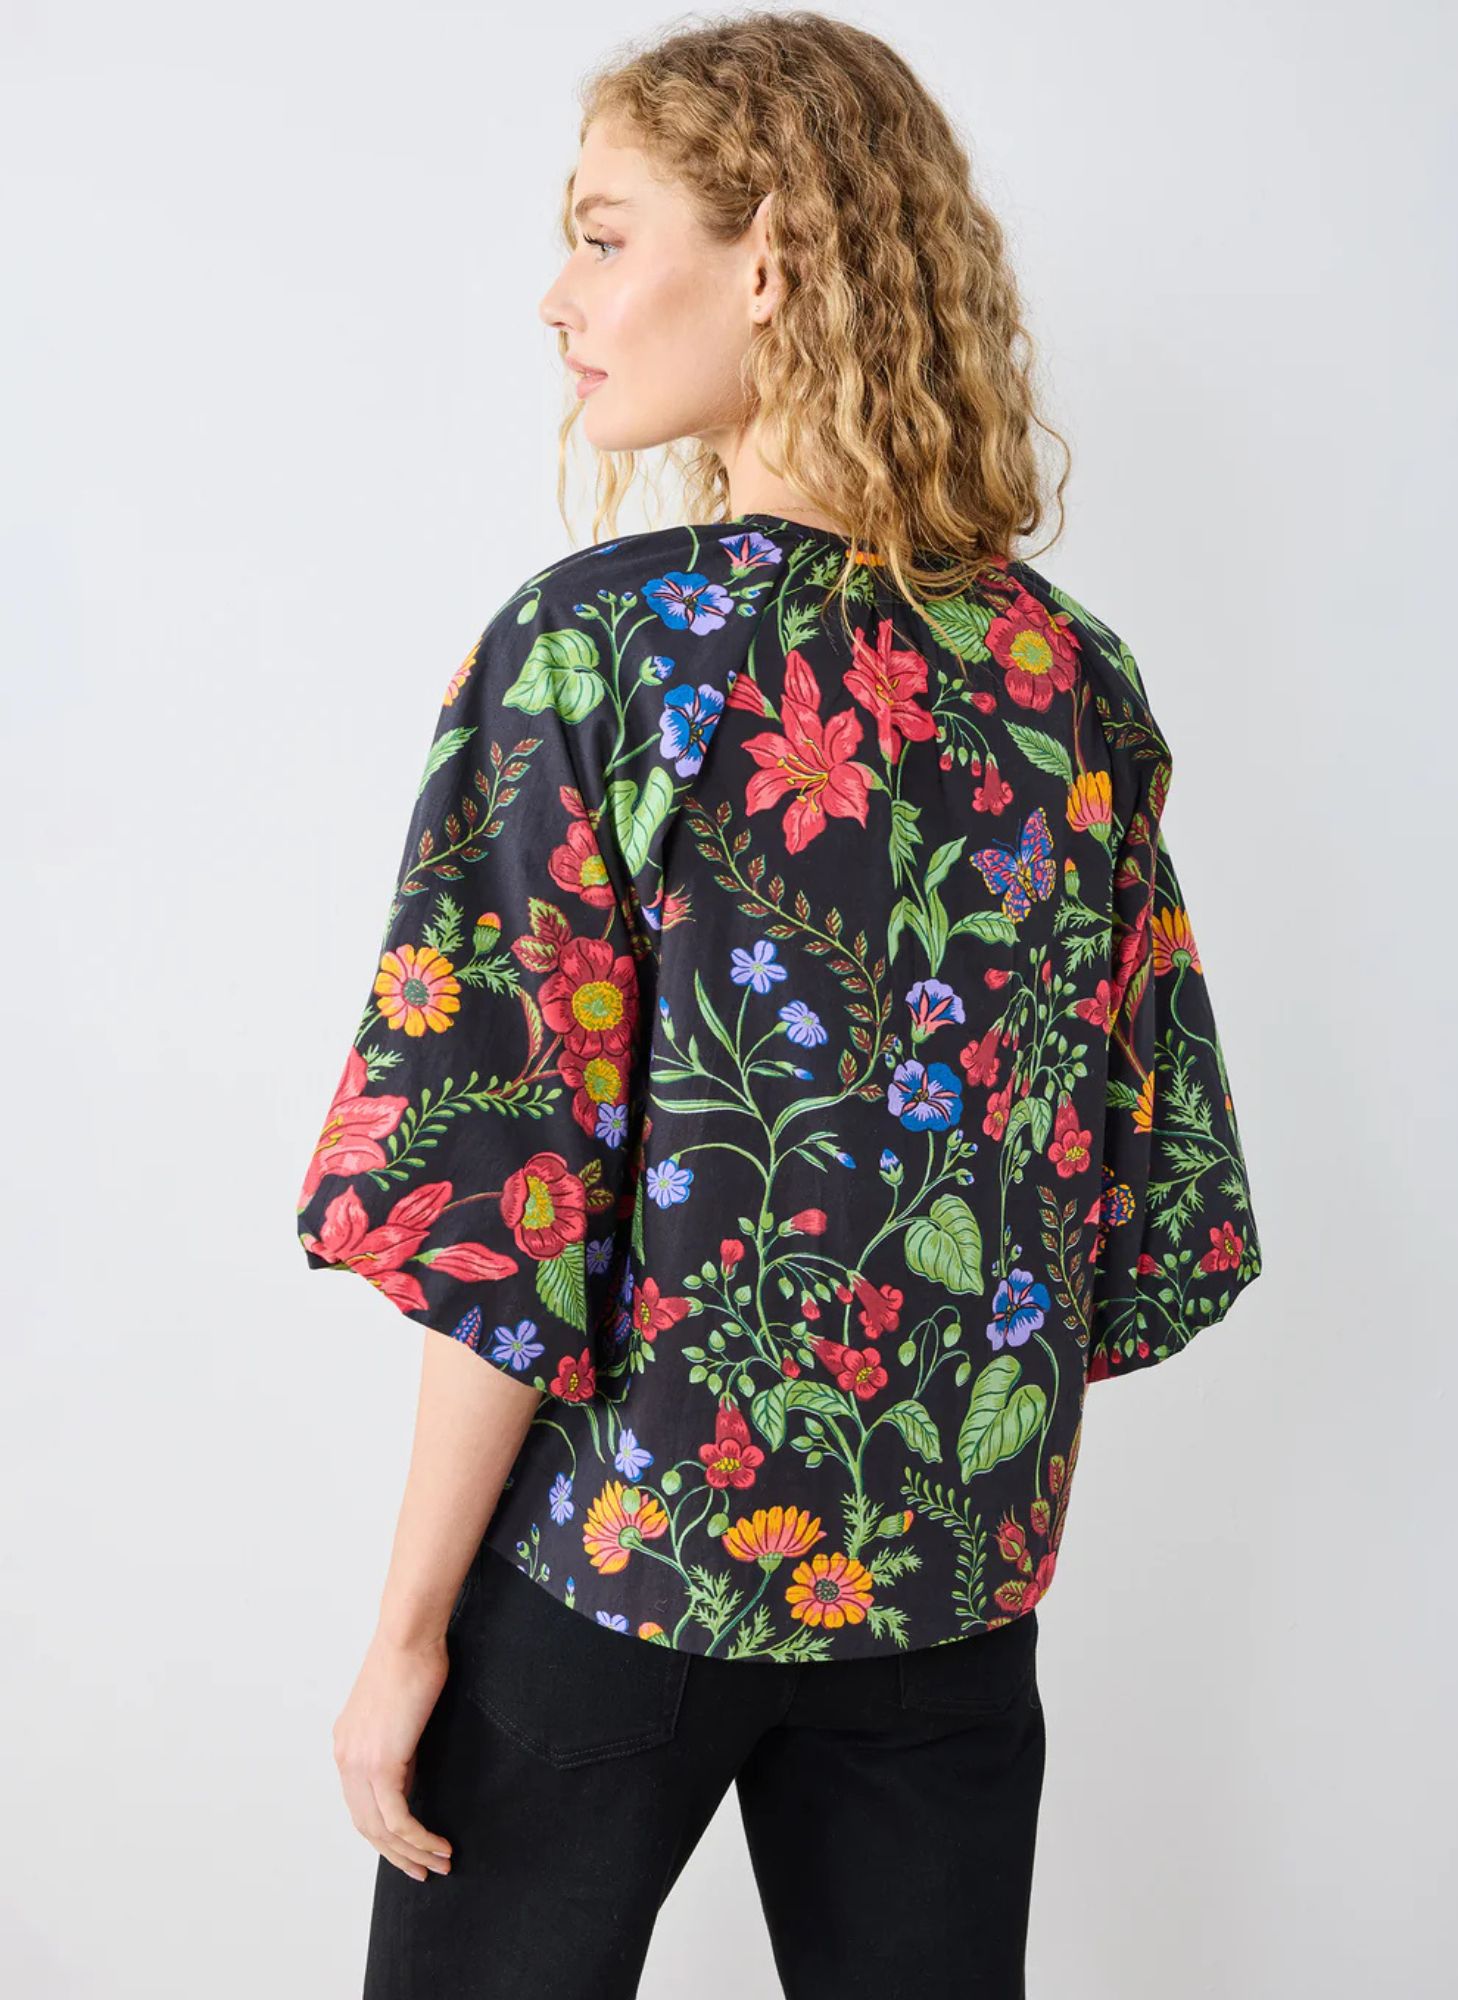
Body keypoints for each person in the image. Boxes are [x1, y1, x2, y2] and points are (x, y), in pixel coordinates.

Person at [294, 12, 1264, 1996]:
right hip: (946, 1600)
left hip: (628, 1570)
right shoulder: (1068, 685)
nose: (559, 297)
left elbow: (503, 1191)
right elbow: (1134, 1184)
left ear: (775, 256)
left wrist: (405, 1635)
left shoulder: (603, 656)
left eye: (604, 235)